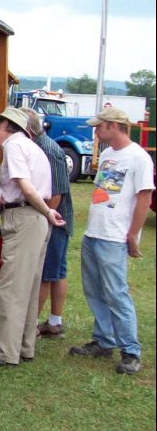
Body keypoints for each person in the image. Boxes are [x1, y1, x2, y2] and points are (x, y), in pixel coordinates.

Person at [0, 107, 65, 367]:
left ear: (5, 126)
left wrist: (47, 211)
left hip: (25, 217)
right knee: (29, 287)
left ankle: (5, 354)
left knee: (10, 289)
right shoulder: (34, 147)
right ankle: (25, 347)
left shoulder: (14, 147)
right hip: (35, 220)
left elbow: (25, 186)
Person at [69, 107, 155, 375]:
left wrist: (132, 235)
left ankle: (131, 351)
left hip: (114, 237)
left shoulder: (138, 158)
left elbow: (144, 199)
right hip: (94, 233)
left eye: (100, 126)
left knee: (117, 293)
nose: (96, 131)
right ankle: (104, 341)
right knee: (94, 290)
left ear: (115, 126)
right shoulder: (107, 154)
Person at [21, 108, 74, 337]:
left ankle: (31, 326)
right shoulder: (40, 146)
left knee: (46, 271)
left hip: (55, 217)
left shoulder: (49, 150)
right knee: (57, 271)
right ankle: (54, 323)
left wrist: (46, 217)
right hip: (55, 216)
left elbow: (57, 193)